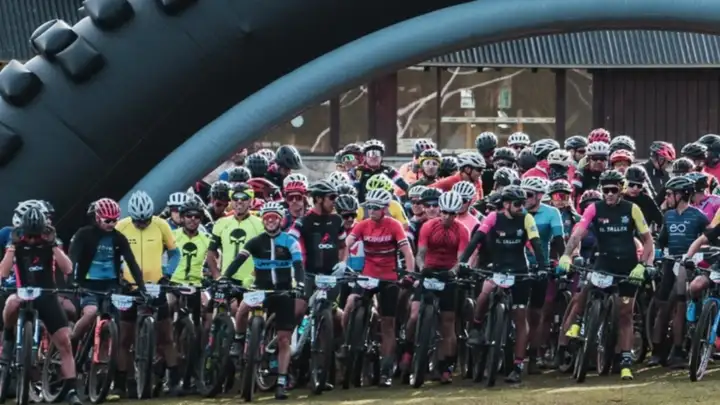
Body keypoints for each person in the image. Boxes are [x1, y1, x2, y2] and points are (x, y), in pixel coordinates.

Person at [558, 170, 655, 381]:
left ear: (621, 189)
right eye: (606, 190)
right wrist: (566, 255)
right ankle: (578, 323)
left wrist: (644, 265)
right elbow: (578, 233)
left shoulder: (632, 209)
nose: (609, 194)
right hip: (604, 261)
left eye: (613, 190)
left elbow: (648, 240)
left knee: (625, 313)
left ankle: (626, 361)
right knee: (586, 289)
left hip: (628, 266)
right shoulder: (594, 208)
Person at [459, 185, 546, 384]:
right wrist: (463, 261)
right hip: (497, 267)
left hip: (519, 269)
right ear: (506, 204)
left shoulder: (527, 218)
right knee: (485, 291)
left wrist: (542, 267)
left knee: (520, 317)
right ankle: (477, 326)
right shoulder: (493, 218)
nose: (521, 207)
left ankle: (517, 365)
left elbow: (536, 244)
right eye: (517, 203)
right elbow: (477, 239)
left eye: (523, 203)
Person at [0, 207, 82, 405]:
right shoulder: (17, 243)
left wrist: (53, 246)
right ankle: (9, 335)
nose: (32, 240)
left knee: (64, 342)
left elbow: (68, 268)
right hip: (23, 292)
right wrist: (12, 248)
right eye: (29, 236)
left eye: (36, 236)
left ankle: (71, 389)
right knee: (11, 303)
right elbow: (3, 272)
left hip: (46, 294)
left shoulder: (50, 241)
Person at [223, 202, 304, 400]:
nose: (270, 220)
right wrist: (225, 277)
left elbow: (298, 265)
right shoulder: (255, 242)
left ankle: (281, 382)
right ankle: (239, 339)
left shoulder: (290, 241)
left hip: (283, 291)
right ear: (263, 220)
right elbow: (238, 261)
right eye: (267, 217)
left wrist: (300, 283)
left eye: (274, 217)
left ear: (280, 220)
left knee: (284, 339)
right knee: (242, 309)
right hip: (261, 289)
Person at [341, 188, 415, 387]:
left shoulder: (394, 225)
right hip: (367, 275)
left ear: (384, 208)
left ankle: (386, 370)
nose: (371, 211)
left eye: (375, 207)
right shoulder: (363, 225)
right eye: (369, 207)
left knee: (388, 324)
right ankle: (346, 343)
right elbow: (347, 243)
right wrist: (343, 263)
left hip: (389, 277)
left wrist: (409, 274)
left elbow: (407, 252)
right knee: (349, 304)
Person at [115, 190, 182, 396]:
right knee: (124, 338)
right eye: (138, 221)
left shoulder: (161, 225)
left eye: (146, 221)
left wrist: (167, 275)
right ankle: (122, 383)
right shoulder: (121, 226)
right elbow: (112, 255)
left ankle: (174, 382)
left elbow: (175, 253)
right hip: (130, 286)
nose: (142, 224)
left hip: (155, 285)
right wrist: (119, 276)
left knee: (166, 336)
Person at [69, 198, 147, 357]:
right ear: (97, 218)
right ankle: (71, 343)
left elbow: (132, 263)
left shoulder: (119, 238)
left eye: (115, 220)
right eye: (107, 221)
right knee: (90, 313)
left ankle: (103, 360)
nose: (111, 224)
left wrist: (142, 288)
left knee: (116, 323)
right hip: (88, 284)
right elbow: (72, 259)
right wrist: (72, 281)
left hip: (111, 285)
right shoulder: (84, 234)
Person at [410, 191, 469, 384]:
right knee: (414, 315)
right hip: (429, 270)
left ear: (457, 213)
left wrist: (452, 272)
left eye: (452, 214)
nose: (447, 217)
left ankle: (445, 366)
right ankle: (407, 352)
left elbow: (461, 259)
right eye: (444, 212)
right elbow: (420, 254)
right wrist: (422, 268)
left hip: (448, 273)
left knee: (448, 322)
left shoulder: (462, 230)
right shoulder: (428, 226)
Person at [649, 176, 707, 367]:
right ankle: (657, 351)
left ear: (681, 195)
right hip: (669, 262)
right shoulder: (668, 215)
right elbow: (662, 239)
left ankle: (678, 350)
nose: (666, 197)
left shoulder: (698, 216)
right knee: (663, 307)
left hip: (687, 264)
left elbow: (709, 238)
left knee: (680, 304)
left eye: (669, 194)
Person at [207, 183, 264, 284]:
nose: (239, 201)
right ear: (231, 200)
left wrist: (253, 277)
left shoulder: (261, 224)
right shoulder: (221, 223)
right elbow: (211, 252)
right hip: (226, 281)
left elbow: (266, 255)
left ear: (250, 200)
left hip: (252, 282)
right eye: (235, 198)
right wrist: (217, 276)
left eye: (244, 198)